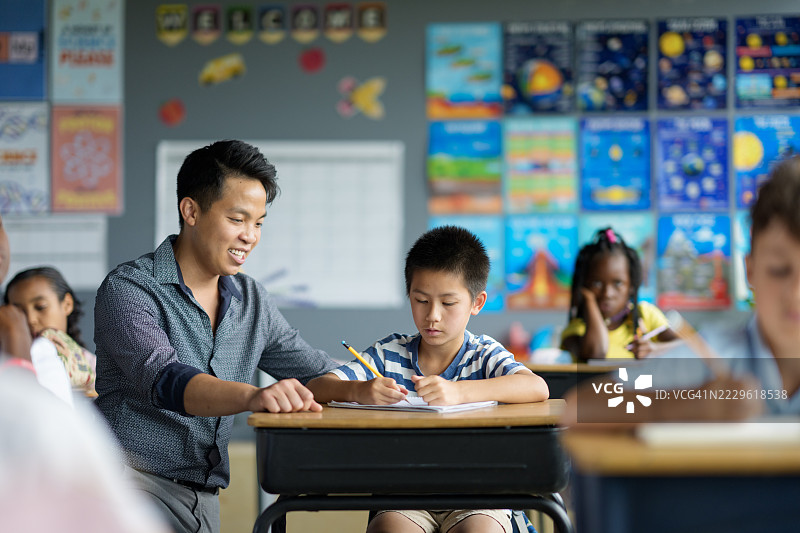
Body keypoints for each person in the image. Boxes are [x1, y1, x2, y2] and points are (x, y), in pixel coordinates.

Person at [93, 140, 340, 533]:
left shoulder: (251, 298)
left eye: (258, 223)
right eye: (238, 219)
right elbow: (166, 379)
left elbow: (312, 369)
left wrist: (366, 386)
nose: (250, 236)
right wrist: (252, 396)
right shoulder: (129, 288)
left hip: (203, 500)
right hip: (126, 487)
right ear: (190, 211)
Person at [308, 225, 549, 533]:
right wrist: (360, 389)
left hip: (480, 495)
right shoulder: (388, 353)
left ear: (477, 303)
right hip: (404, 495)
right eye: (421, 300)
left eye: (448, 303)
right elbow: (317, 388)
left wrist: (459, 393)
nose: (432, 315)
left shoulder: (483, 353)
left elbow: (536, 387)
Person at [561, 156, 800, 427]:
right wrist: (686, 405)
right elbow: (581, 407)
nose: (795, 294)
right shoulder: (708, 358)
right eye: (780, 270)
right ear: (751, 270)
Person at [560, 227, 680, 361]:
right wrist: (588, 299)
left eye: (618, 283)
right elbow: (595, 354)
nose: (607, 294)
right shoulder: (575, 330)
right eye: (596, 284)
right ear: (584, 285)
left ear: (631, 286)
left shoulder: (646, 315)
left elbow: (685, 347)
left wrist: (655, 349)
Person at [5, 266, 97, 396]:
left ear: (67, 304)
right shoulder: (7, 366)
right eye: (20, 312)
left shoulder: (94, 368)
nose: (31, 320)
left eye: (40, 307)